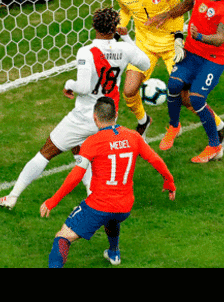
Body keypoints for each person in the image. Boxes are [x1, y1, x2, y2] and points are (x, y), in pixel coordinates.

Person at [0, 7, 150, 210]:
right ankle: (92, 197)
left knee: (45, 153)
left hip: (85, 116)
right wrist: (127, 39)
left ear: (94, 26)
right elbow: (145, 63)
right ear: (115, 28)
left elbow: (83, 87)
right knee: (81, 152)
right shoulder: (125, 50)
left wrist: (69, 83)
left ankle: (12, 197)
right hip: (108, 116)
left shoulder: (86, 52)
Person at [114, 0, 224, 148]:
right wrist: (120, 25)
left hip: (171, 45)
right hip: (145, 45)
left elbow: (180, 11)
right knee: (129, 90)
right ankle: (144, 121)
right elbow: (125, 9)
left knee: (187, 98)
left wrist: (179, 38)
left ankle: (222, 128)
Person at [40, 96, 176, 268]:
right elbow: (156, 160)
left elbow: (75, 176)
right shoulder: (134, 137)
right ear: (116, 114)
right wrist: (169, 182)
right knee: (112, 218)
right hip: (124, 207)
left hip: (99, 206)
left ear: (95, 117)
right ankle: (114, 252)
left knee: (62, 237)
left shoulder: (92, 142)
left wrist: (53, 201)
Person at [156, 0, 224, 163]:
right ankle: (174, 126)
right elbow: (187, 4)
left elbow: (220, 38)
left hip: (213, 58)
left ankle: (214, 146)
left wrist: (200, 36)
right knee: (174, 84)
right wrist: (167, 15)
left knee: (196, 99)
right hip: (192, 51)